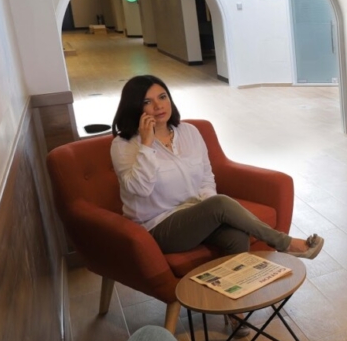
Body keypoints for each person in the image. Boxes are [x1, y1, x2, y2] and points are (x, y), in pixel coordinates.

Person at [110, 75, 325, 262]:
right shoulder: (124, 145)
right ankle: (285, 243)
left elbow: (206, 176)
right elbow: (140, 189)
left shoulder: (189, 132)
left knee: (237, 236)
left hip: (195, 214)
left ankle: (235, 296)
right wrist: (147, 145)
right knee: (220, 203)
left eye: (162, 97)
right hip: (157, 227)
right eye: (147, 102)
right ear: (135, 108)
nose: (158, 106)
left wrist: (211, 211)